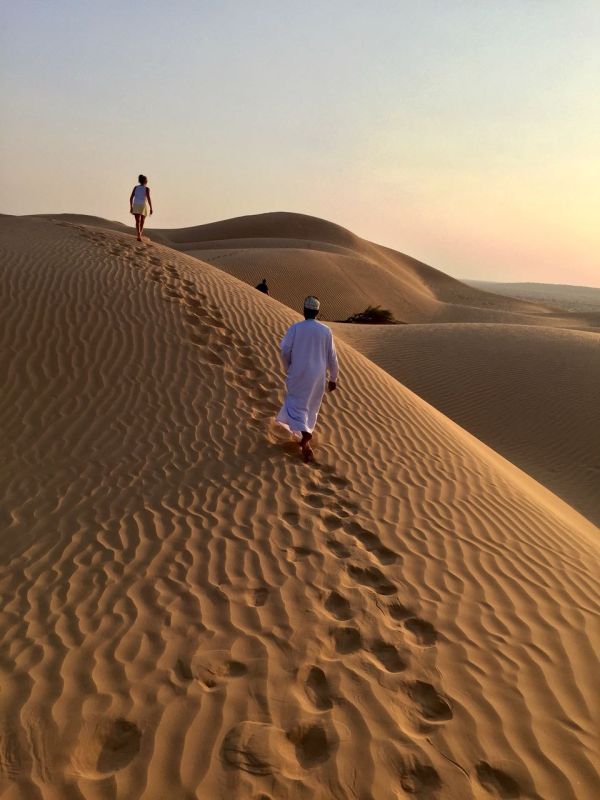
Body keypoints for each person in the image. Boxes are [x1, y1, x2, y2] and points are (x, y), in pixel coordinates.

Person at [276, 296, 339, 462]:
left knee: (295, 404)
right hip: (318, 375)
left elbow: (284, 350)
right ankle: (304, 444)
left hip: (299, 372)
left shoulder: (296, 328)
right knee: (311, 407)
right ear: (317, 312)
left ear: (304, 311)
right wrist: (333, 378)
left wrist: (288, 366)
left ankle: (305, 434)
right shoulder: (326, 330)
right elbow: (332, 357)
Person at [129, 175, 153, 241]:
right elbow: (148, 198)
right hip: (143, 205)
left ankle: (139, 235)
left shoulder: (136, 187)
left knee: (137, 221)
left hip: (136, 204)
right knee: (142, 221)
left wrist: (131, 207)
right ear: (145, 181)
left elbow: (131, 198)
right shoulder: (147, 189)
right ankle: (139, 235)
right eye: (146, 180)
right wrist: (151, 208)